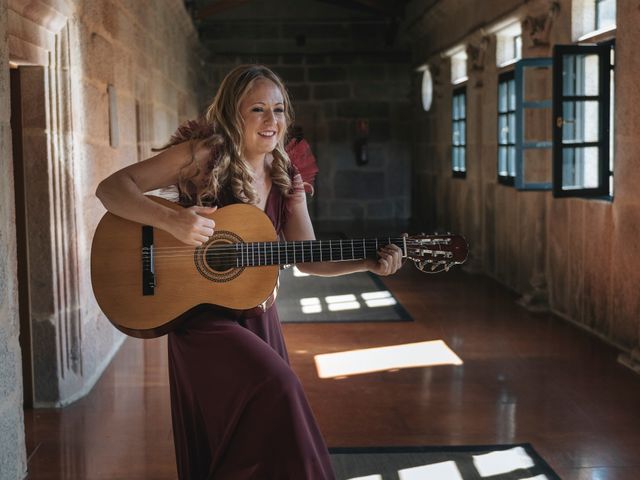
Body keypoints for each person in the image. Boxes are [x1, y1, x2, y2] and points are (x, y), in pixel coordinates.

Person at [96, 64, 403, 480]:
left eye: (278, 110)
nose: (271, 121)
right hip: (200, 318)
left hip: (258, 317)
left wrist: (367, 261)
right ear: (231, 114)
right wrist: (174, 222)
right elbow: (112, 189)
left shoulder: (287, 176)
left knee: (257, 430)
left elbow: (307, 258)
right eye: (257, 109)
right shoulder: (202, 156)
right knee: (280, 388)